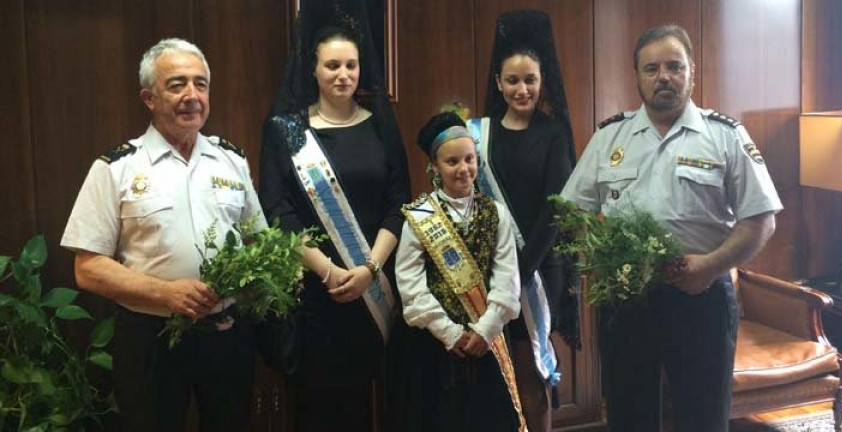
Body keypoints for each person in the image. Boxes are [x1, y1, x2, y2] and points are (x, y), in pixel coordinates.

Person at [560, 24, 782, 431]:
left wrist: (711, 266)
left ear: (692, 71)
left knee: (704, 417)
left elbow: (761, 220)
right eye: (652, 68)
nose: (663, 76)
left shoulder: (725, 136)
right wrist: (600, 261)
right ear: (638, 76)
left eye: (674, 66)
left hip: (702, 298)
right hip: (626, 303)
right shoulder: (609, 137)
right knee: (629, 415)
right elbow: (573, 213)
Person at [61, 38, 266, 431]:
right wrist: (165, 293)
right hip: (150, 337)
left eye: (200, 84)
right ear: (149, 97)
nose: (192, 95)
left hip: (226, 336)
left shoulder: (231, 159)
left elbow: (257, 239)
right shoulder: (117, 168)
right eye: (177, 84)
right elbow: (87, 268)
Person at [257, 0, 410, 430]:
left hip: (372, 289)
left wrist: (369, 267)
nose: (343, 75)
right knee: (316, 407)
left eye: (351, 65)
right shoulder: (285, 130)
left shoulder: (381, 124)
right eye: (332, 66)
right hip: (315, 294)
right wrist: (326, 270)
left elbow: (398, 201)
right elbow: (276, 208)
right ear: (313, 69)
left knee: (368, 404)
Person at [466, 10, 580, 431]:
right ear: (498, 82)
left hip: (536, 270)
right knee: (494, 372)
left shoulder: (553, 134)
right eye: (512, 80)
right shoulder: (477, 134)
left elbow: (556, 209)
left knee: (531, 368)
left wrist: (520, 267)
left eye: (530, 79)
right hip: (487, 271)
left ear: (542, 81)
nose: (522, 89)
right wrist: (495, 268)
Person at [394, 112, 525, 432]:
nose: (463, 169)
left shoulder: (497, 213)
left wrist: (486, 329)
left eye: (469, 159)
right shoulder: (419, 216)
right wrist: (450, 333)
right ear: (434, 167)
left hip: (488, 340)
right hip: (436, 345)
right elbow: (410, 283)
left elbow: (507, 276)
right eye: (452, 161)